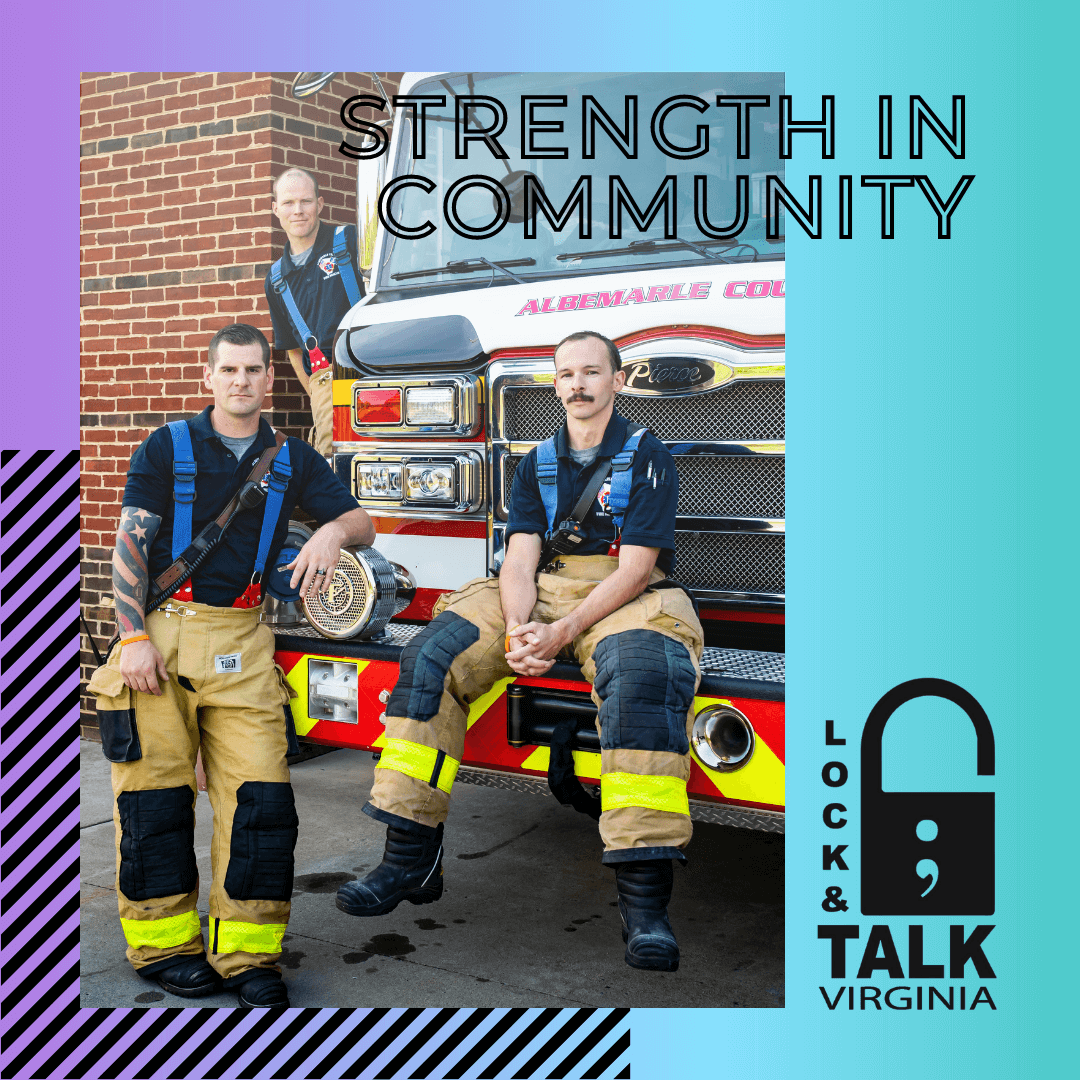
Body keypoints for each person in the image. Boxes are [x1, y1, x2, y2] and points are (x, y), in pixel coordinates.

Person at [336, 330, 703, 972]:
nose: (578, 385)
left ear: (618, 382)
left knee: (643, 677)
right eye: (566, 375)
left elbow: (637, 569)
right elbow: (521, 556)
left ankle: (645, 910)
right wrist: (517, 626)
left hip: (623, 592)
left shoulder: (648, 457)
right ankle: (408, 863)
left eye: (592, 373)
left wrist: (559, 635)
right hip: (543, 586)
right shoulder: (534, 462)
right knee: (434, 655)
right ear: (555, 384)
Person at [87, 323, 374, 1007]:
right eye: (230, 370)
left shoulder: (294, 457)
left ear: (266, 381)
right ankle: (162, 946)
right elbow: (131, 541)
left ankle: (248, 954)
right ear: (208, 377)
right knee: (154, 803)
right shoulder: (167, 447)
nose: (242, 381)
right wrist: (132, 639)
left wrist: (332, 530)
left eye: (253, 371)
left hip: (243, 643)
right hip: (159, 639)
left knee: (262, 801)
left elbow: (361, 522)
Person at [263, 166, 364, 457]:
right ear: (276, 209)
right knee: (332, 459)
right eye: (288, 203)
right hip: (325, 377)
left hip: (370, 366)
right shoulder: (276, 279)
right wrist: (318, 392)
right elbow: (292, 349)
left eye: (306, 201)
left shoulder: (351, 241)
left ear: (319, 204)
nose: (298, 210)